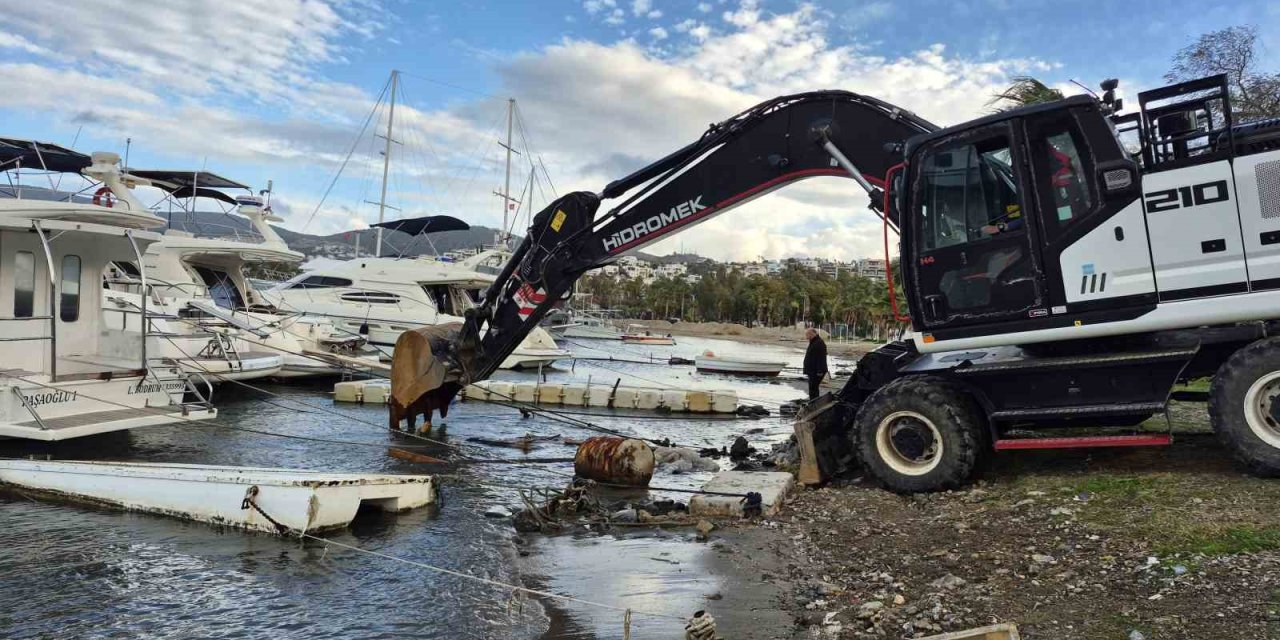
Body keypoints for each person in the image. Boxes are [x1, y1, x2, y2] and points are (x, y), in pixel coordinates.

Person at [803, 328, 828, 400]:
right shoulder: (814, 342)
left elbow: (821, 358)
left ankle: (814, 402)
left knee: (813, 388)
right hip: (812, 371)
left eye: (807, 334)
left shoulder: (819, 343)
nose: (806, 336)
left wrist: (819, 371)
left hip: (816, 371)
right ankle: (813, 401)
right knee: (812, 388)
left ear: (812, 334)